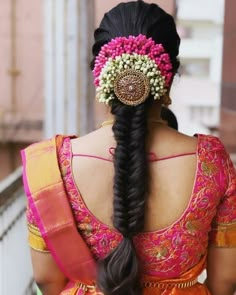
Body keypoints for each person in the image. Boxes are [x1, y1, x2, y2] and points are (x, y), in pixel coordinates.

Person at [21, 1, 236, 295]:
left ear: (101, 79)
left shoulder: (51, 166)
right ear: (170, 77)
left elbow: (46, 279)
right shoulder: (211, 162)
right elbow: (225, 282)